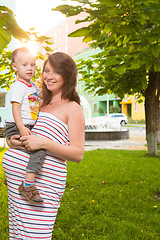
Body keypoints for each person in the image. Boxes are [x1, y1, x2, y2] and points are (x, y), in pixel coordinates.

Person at [2, 52, 85, 239]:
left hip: (43, 187)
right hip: (18, 186)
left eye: (56, 72)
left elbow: (78, 153)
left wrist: (44, 143)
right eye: (46, 70)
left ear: (68, 75)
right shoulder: (40, 102)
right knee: (17, 236)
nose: (49, 76)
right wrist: (12, 141)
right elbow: (26, 129)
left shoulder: (72, 107)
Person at [5, 47, 45, 203]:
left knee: (27, 151)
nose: (30, 68)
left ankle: (12, 177)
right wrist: (21, 128)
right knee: (38, 149)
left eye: (33, 65)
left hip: (26, 125)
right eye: (25, 65)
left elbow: (43, 97)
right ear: (15, 67)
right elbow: (15, 109)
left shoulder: (32, 86)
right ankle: (27, 185)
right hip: (16, 125)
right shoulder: (17, 86)